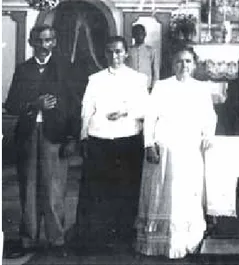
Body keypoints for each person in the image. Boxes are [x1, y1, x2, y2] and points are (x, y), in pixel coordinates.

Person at [4, 25, 81, 256]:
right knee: (28, 188)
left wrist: (71, 138)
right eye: (39, 41)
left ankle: (57, 241)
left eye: (48, 40)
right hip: (28, 135)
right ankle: (28, 240)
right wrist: (33, 105)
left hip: (55, 136)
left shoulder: (65, 69)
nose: (43, 46)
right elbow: (11, 105)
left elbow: (75, 107)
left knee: (54, 189)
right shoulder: (23, 69)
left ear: (54, 42)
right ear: (30, 42)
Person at [135, 45, 217, 259]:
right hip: (165, 146)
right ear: (172, 65)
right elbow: (151, 117)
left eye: (188, 61)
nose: (184, 66)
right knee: (165, 191)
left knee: (187, 191)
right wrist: (149, 144)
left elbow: (210, 117)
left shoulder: (201, 88)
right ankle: (161, 242)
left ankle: (187, 239)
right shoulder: (162, 86)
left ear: (194, 65)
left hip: (189, 146)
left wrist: (208, 134)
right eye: (179, 61)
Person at [74, 36, 149, 252]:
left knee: (127, 188)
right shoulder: (95, 79)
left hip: (128, 139)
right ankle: (99, 238)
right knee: (100, 189)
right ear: (104, 54)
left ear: (126, 53)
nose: (114, 56)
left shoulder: (138, 79)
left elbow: (146, 109)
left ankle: (124, 235)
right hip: (101, 139)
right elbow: (86, 109)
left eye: (118, 51)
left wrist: (126, 111)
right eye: (110, 52)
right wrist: (84, 137)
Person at [126, 23, 159, 91]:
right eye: (136, 34)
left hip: (146, 86)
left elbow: (155, 71)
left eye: (141, 33)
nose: (139, 36)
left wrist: (153, 87)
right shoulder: (128, 50)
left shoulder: (151, 50)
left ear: (145, 34)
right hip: (130, 86)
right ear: (133, 35)